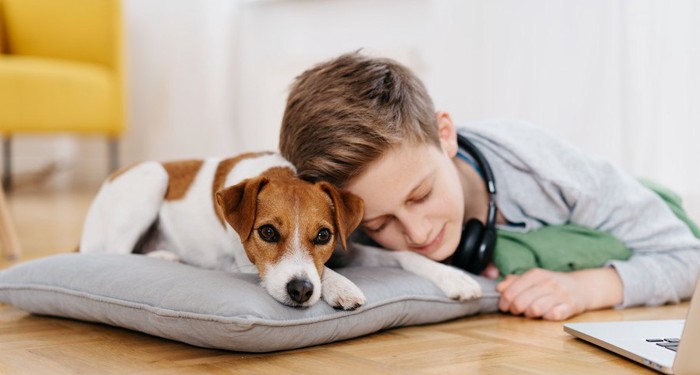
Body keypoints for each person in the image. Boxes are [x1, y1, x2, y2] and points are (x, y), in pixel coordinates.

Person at [278, 51, 700, 320]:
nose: (419, 233)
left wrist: (586, 288)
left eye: (421, 195)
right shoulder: (334, 216)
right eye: (379, 223)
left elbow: (687, 256)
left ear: (445, 135)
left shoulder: (546, 169)